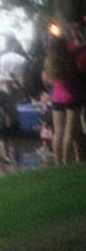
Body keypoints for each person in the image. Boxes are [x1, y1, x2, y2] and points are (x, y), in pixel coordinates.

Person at [43, 36, 85, 164]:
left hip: (57, 98)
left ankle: (58, 161)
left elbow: (47, 81)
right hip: (73, 96)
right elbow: (80, 48)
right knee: (69, 131)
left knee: (58, 131)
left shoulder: (48, 61)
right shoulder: (69, 57)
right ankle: (67, 161)